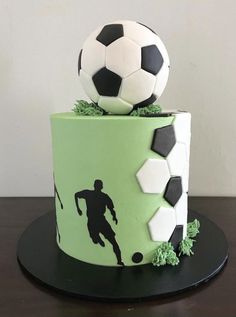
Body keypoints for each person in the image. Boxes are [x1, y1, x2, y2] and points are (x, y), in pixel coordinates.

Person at [74, 179, 124, 266]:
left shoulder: (103, 196)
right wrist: (78, 208)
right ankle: (97, 238)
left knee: (113, 241)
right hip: (94, 221)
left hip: (100, 221)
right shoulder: (89, 193)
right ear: (101, 186)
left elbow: (111, 208)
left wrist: (114, 216)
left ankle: (119, 260)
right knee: (97, 240)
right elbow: (76, 194)